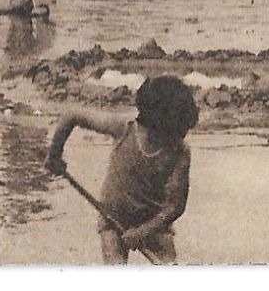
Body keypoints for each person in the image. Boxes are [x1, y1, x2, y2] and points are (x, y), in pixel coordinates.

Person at [45, 75, 198, 265]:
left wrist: (142, 232)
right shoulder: (124, 128)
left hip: (154, 223)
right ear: (157, 123)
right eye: (176, 131)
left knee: (169, 268)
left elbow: (175, 207)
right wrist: (54, 155)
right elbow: (72, 116)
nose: (180, 136)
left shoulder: (180, 151)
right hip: (112, 216)